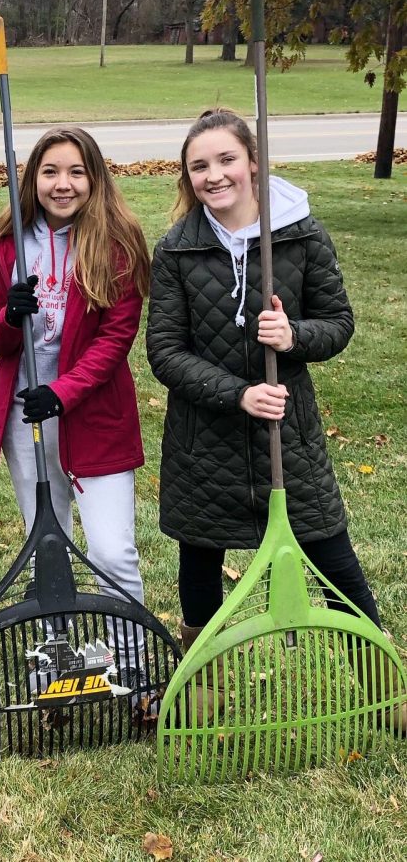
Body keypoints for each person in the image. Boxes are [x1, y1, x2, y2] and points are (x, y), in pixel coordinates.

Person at [146, 107, 403, 728]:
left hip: (288, 434)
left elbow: (338, 323)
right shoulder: (178, 249)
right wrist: (236, 393)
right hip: (203, 437)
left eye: (226, 159)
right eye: (199, 166)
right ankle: (202, 679)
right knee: (200, 556)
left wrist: (292, 336)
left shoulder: (300, 233)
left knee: (331, 554)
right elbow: (165, 352)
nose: (214, 175)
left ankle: (385, 684)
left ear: (253, 162)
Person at [0, 126, 151, 687]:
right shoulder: (8, 241)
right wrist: (9, 317)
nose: (63, 183)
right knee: (46, 545)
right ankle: (56, 656)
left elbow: (114, 343)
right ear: (32, 178)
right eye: (50, 171)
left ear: (94, 179)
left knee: (111, 549)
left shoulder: (116, 247)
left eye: (76, 171)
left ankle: (131, 663)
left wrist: (63, 392)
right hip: (25, 417)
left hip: (92, 416)